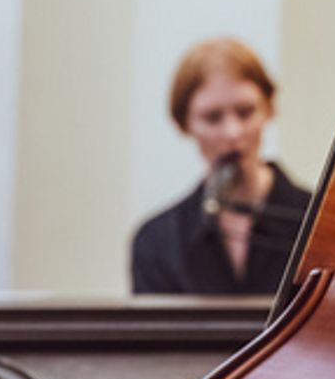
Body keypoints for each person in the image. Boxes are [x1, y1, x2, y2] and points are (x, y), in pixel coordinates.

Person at [130, 37, 311, 295]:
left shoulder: (319, 224)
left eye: (246, 112)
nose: (232, 132)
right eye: (212, 118)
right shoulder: (157, 242)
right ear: (184, 124)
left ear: (269, 109)